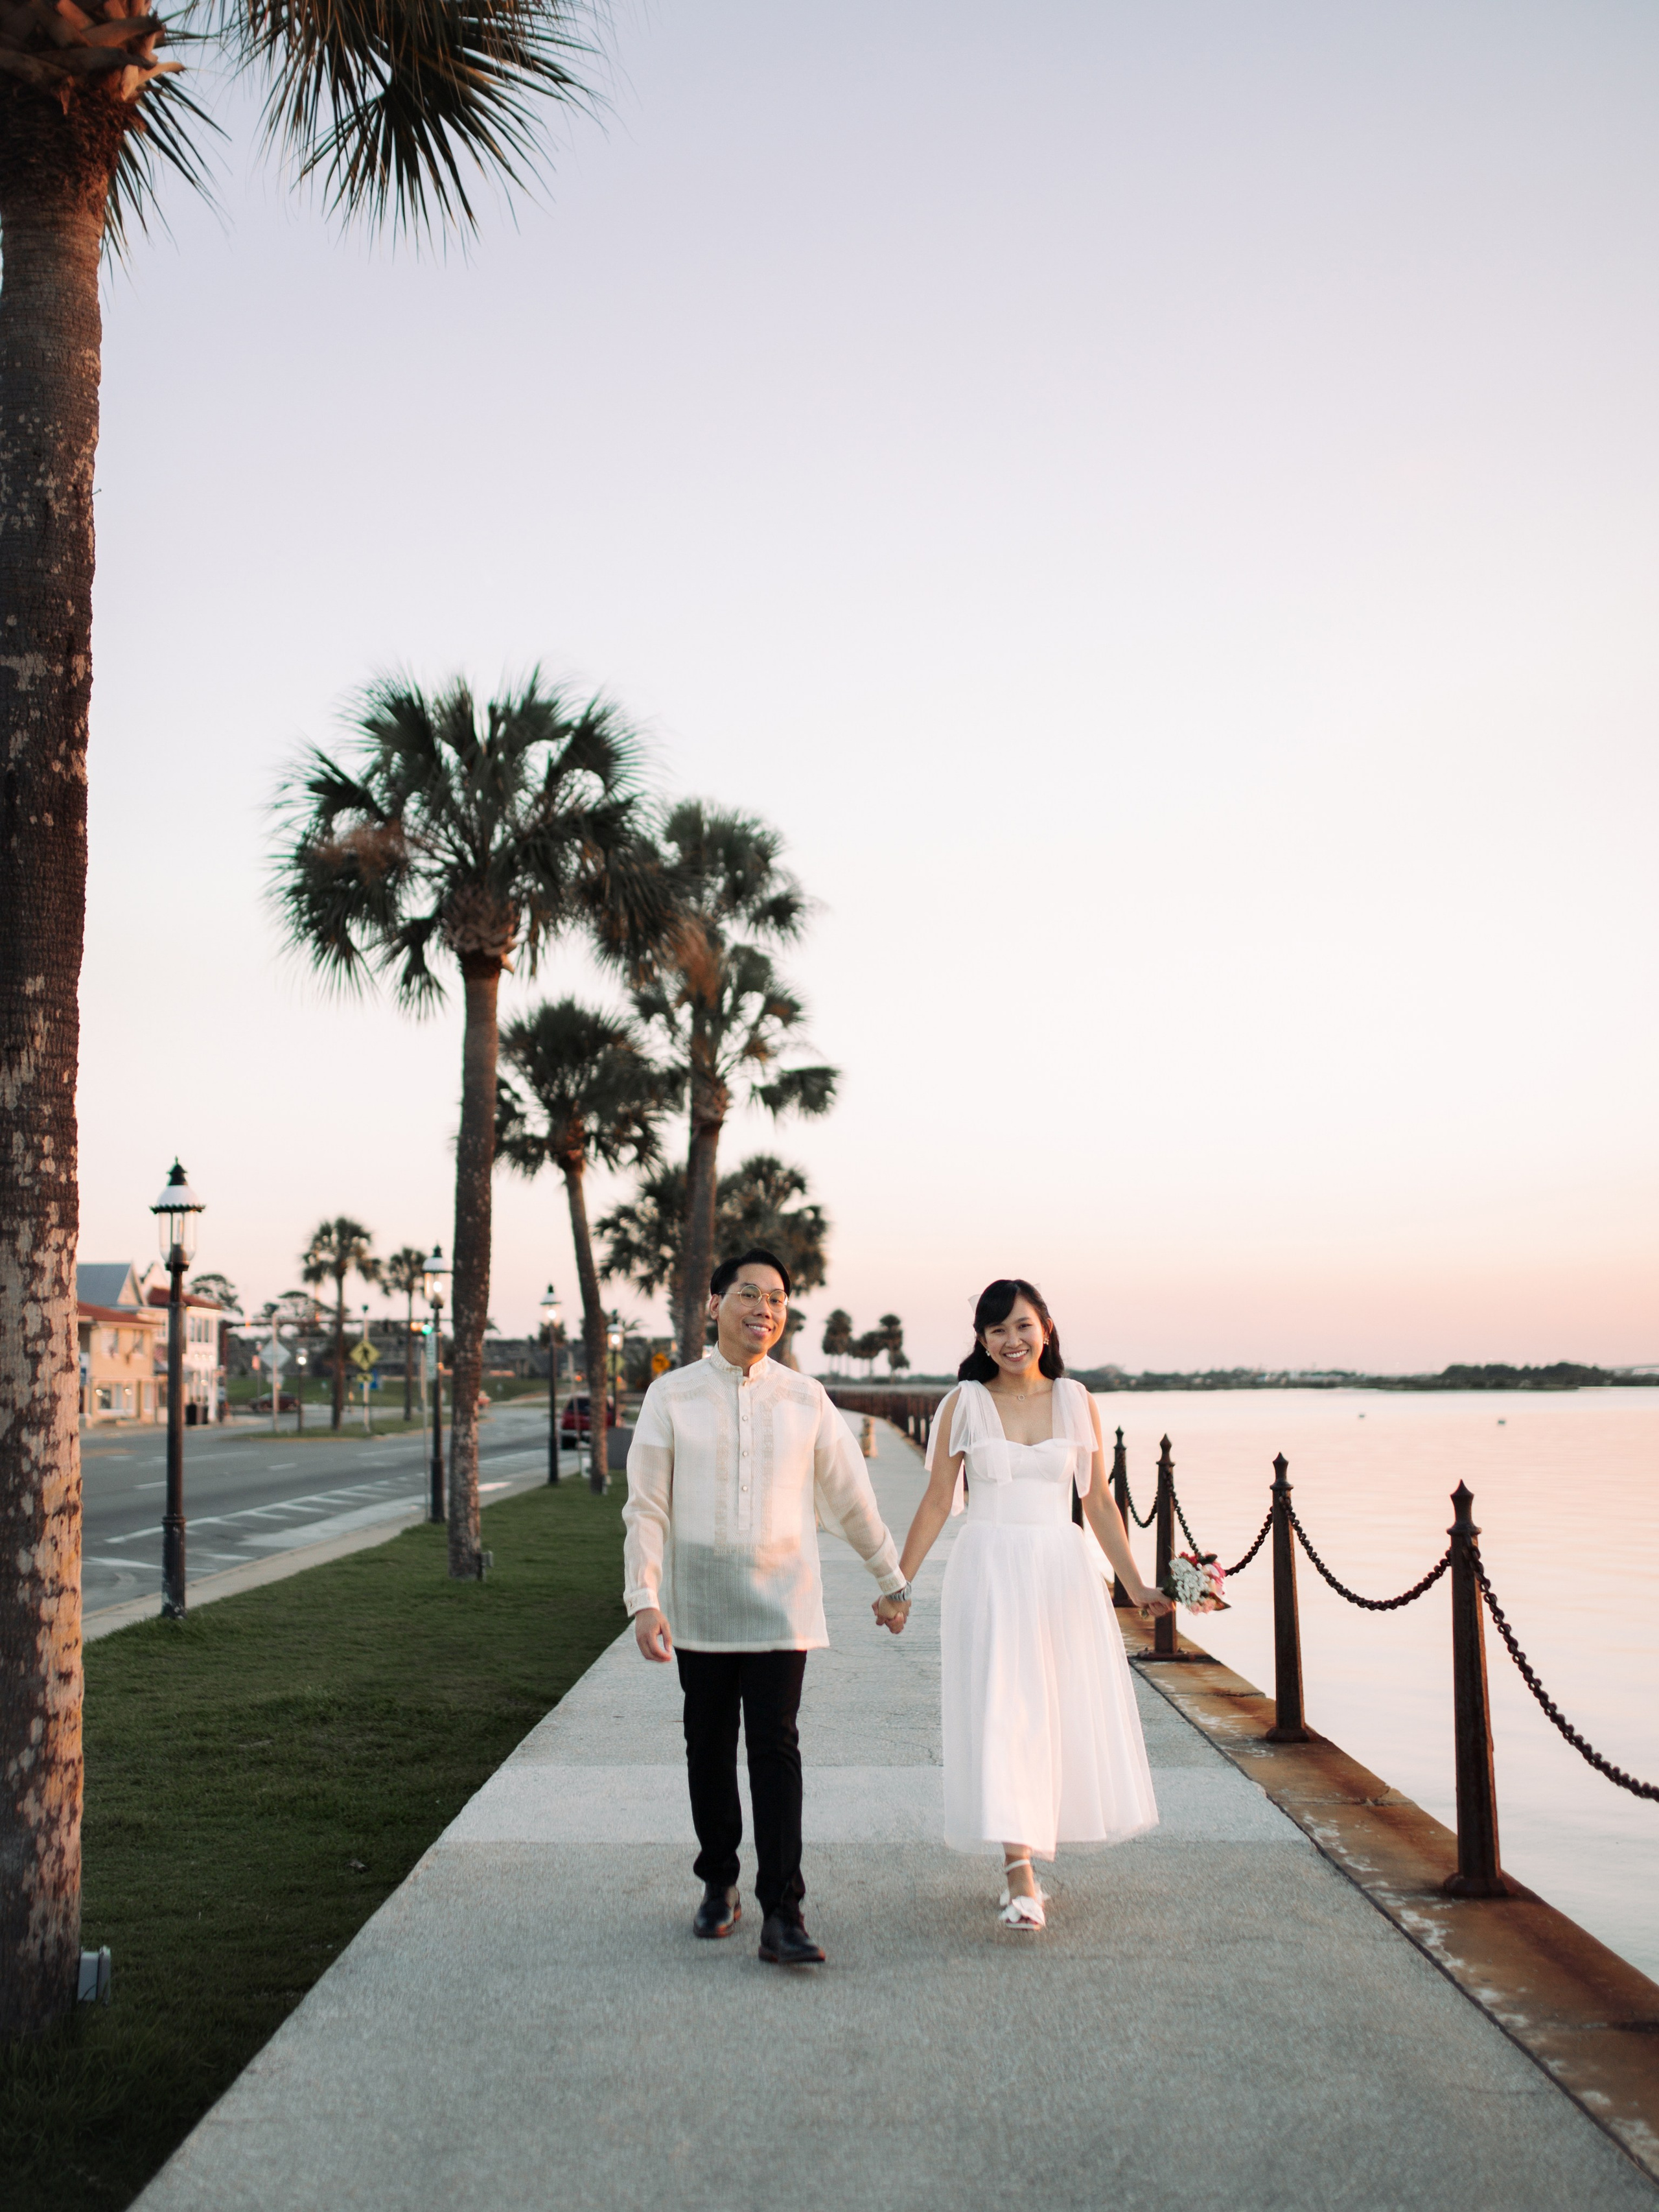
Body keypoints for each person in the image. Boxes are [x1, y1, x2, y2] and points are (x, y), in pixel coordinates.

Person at [623, 1248, 912, 1964]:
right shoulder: (673, 1395)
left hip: (784, 1603)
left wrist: (891, 1577)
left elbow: (851, 1498)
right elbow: (646, 1506)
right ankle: (719, 1880)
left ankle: (783, 1906)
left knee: (776, 1747)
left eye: (777, 1298)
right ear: (713, 1303)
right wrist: (643, 1598)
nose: (764, 1308)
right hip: (699, 1602)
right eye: (748, 1293)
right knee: (709, 1746)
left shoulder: (805, 1397)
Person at [890, 1277, 1172, 1929]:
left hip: (1059, 1569)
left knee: (1050, 1707)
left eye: (1021, 1325)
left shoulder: (1076, 1399)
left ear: (1044, 1325)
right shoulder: (963, 1402)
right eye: (996, 1331)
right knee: (1001, 1708)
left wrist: (1136, 1586)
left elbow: (1098, 1501)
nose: (1010, 1340)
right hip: (988, 1565)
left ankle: (1029, 1847)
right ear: (981, 1340)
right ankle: (1019, 1869)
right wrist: (897, 1582)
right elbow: (938, 1499)